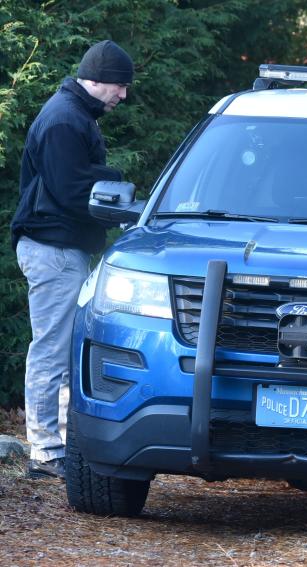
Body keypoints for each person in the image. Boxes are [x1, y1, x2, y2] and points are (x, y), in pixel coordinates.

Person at [11, 40, 134, 479]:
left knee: (63, 349)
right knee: (51, 350)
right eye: (120, 85)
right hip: (54, 249)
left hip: (60, 248)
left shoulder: (74, 114)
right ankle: (44, 451)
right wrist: (115, 182)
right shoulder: (65, 119)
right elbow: (71, 191)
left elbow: (73, 184)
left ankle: (59, 445)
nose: (123, 95)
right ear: (98, 79)